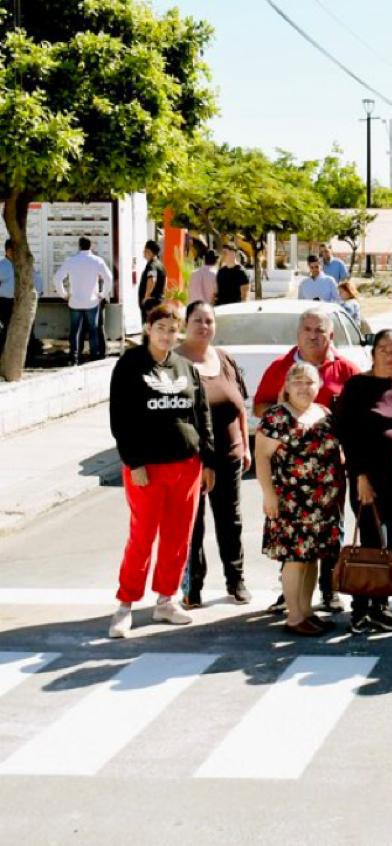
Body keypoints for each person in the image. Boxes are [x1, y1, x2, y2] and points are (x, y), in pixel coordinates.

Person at [107, 303, 216, 638]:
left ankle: (166, 600)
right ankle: (125, 604)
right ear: (148, 328)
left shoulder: (185, 366)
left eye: (172, 329)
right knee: (142, 536)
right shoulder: (130, 365)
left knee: (178, 536)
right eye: (161, 328)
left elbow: (202, 414)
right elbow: (120, 418)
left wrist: (208, 460)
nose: (167, 335)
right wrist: (134, 461)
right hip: (147, 468)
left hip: (186, 465)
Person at [253, 306, 360, 611]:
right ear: (298, 333)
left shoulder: (347, 370)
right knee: (293, 539)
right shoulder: (280, 367)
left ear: (331, 335)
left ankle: (328, 589)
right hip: (290, 478)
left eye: (320, 331)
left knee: (330, 531)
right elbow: (259, 407)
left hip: (330, 475)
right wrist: (287, 411)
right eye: (308, 330)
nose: (313, 336)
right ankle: (291, 599)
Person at [333, 329, 392, 634]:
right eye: (384, 349)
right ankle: (361, 610)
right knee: (371, 542)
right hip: (367, 479)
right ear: (373, 353)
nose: (390, 354)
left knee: (388, 543)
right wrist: (360, 476)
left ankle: (380, 606)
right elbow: (346, 433)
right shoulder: (357, 386)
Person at [256, 362, 344, 637]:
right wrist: (268, 494)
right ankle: (294, 616)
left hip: (323, 503)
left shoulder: (324, 413)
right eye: (298, 382)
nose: (304, 387)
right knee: (295, 559)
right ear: (287, 386)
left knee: (312, 558)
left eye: (310, 382)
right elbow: (262, 457)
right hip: (292, 501)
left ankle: (306, 611)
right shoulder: (276, 417)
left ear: (319, 385)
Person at [176, 301, 252, 609]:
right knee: (192, 525)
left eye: (209, 321)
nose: (204, 326)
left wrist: (245, 446)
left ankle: (236, 580)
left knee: (230, 520)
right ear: (186, 323)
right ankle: (192, 586)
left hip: (229, 455)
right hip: (190, 458)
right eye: (198, 320)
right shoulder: (175, 362)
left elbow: (240, 406)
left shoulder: (224, 358)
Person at [53, 236, 113, 365]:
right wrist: (102, 294)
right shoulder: (97, 261)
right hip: (92, 301)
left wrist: (64, 294)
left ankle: (74, 357)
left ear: (79, 246)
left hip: (75, 301)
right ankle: (94, 356)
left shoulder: (71, 261)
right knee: (93, 330)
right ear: (91, 246)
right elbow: (109, 278)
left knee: (75, 330)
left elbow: (57, 278)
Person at [139, 239, 166, 315]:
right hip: (158, 301)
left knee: (149, 321)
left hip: (151, 303)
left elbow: (152, 279)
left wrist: (146, 297)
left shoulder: (152, 265)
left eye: (144, 251)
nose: (143, 253)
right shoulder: (160, 265)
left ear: (149, 251)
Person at [0, 239, 14, 357]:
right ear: (9, 251)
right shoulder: (2, 266)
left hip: (18, 302)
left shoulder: (19, 264)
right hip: (5, 302)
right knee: (7, 328)